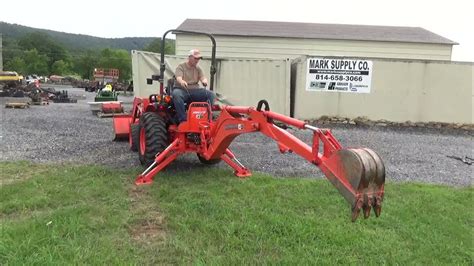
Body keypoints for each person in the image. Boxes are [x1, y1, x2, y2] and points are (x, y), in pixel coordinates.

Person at [172, 49, 215, 124]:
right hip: (182, 90)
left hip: (195, 90)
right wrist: (182, 81)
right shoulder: (181, 66)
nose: (197, 60)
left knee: (211, 94)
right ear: (190, 57)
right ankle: (183, 120)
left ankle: (207, 118)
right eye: (196, 58)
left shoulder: (198, 68)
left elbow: (202, 77)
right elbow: (178, 77)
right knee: (176, 94)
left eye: (198, 58)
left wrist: (204, 80)